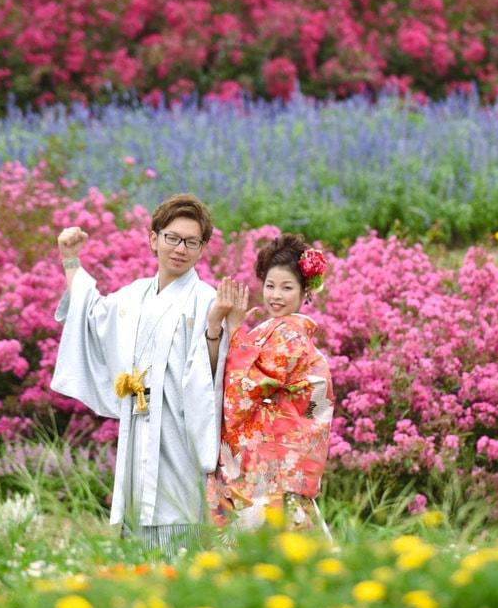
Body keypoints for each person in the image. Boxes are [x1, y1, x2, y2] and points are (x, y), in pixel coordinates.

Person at [50, 193, 227, 558]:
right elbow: (92, 313)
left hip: (180, 432)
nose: (180, 249)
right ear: (153, 239)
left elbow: (216, 371)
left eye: (192, 242)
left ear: (202, 248)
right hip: (139, 424)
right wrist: (70, 259)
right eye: (172, 238)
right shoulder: (134, 296)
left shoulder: (206, 299)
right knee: (136, 514)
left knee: (178, 517)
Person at [206, 233, 335, 536]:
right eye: (270, 286)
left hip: (273, 456)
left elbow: (252, 384)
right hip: (269, 453)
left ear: (306, 292)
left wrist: (236, 330)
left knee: (270, 529)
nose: (276, 295)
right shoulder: (272, 329)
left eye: (287, 287)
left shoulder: (291, 333)